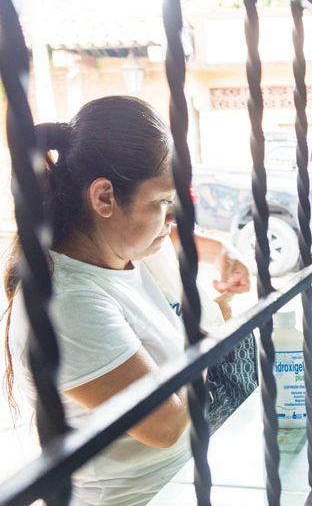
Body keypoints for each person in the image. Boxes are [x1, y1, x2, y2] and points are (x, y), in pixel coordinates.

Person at [2, 96, 249, 506]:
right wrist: (206, 335)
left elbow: (171, 238)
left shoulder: (120, 250)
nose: (172, 218)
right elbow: (166, 425)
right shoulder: (66, 304)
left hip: (189, 477)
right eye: (162, 203)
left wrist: (223, 250)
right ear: (103, 198)